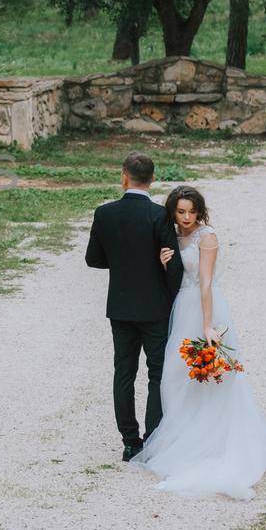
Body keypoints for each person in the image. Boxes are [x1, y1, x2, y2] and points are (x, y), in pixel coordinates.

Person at [130, 185, 266, 499]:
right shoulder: (172, 235)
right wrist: (164, 262)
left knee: (211, 378)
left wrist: (208, 326)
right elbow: (173, 279)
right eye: (180, 212)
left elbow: (205, 282)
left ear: (199, 211)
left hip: (204, 307)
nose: (185, 218)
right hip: (181, 306)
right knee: (175, 376)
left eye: (190, 212)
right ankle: (182, 437)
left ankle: (212, 441)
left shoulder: (206, 237)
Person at [84, 152, 183, 462]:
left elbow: (93, 259)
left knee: (124, 372)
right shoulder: (160, 216)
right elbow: (175, 268)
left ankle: (130, 442)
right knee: (157, 374)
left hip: (122, 307)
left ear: (123, 176)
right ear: (152, 180)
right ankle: (153, 441)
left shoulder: (104, 214)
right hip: (155, 309)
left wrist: (121, 263)